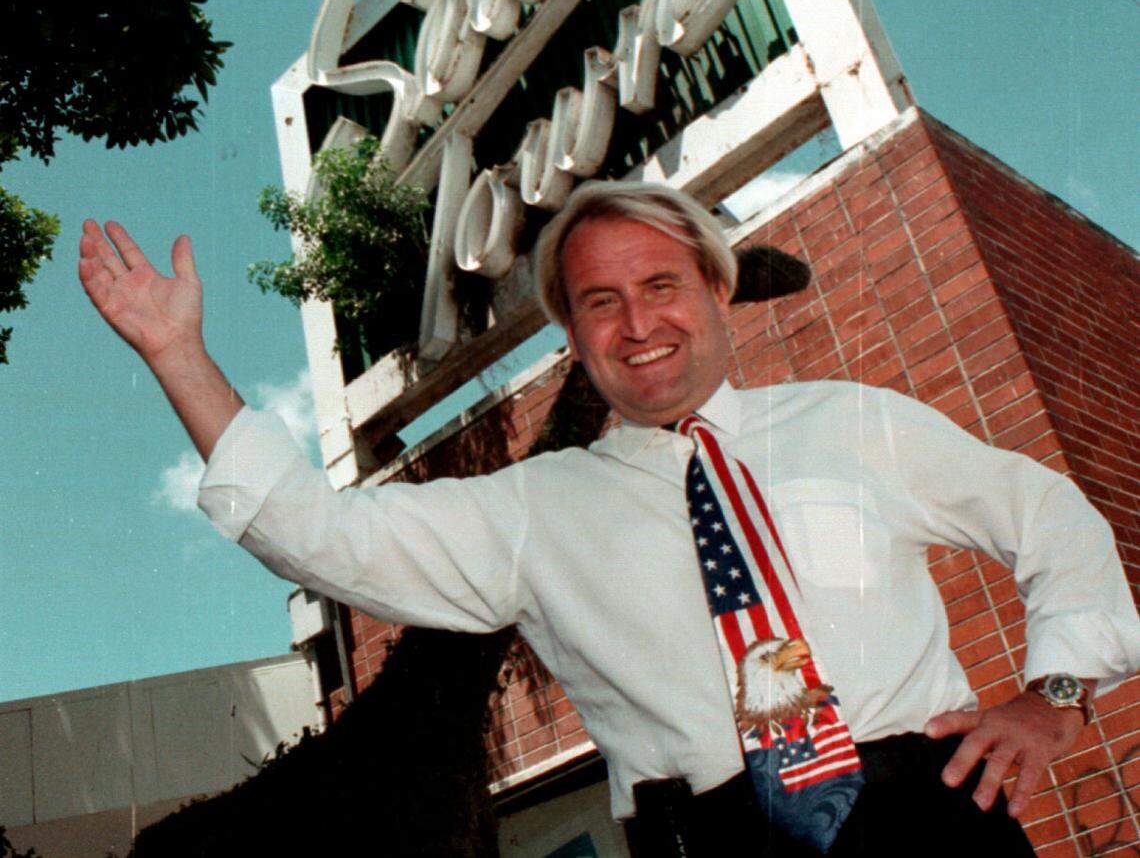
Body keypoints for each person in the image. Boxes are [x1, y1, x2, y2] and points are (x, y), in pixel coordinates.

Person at [79, 181, 1140, 856]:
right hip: (711, 835)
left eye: (662, 283)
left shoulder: (857, 421)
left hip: (927, 811)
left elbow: (1048, 519)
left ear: (717, 290)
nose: (639, 321)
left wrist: (1055, 694)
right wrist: (179, 357)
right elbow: (324, 534)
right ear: (577, 337)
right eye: (599, 300)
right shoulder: (535, 510)